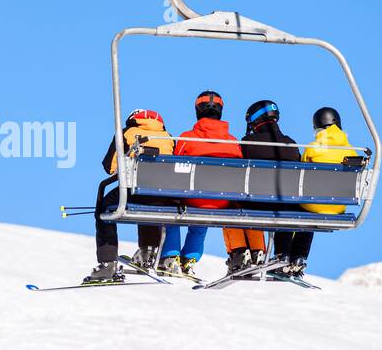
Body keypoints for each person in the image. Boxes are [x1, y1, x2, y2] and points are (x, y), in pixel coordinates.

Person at [83, 109, 183, 284]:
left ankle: (108, 263)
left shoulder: (127, 133)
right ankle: (148, 252)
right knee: (151, 205)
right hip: (164, 195)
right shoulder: (168, 137)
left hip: (135, 192)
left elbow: (110, 166)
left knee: (105, 208)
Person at [174, 90, 266, 277]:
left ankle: (170, 256)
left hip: (192, 199)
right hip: (222, 201)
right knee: (204, 215)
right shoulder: (232, 142)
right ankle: (189, 259)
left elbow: (173, 165)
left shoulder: (187, 138)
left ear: (197, 111)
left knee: (177, 209)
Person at [242, 99, 314, 271]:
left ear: (254, 121)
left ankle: (248, 253)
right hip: (285, 204)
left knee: (282, 203)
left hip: (256, 205)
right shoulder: (291, 145)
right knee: (297, 207)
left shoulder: (247, 144)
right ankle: (295, 257)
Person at [295, 106, 359, 277]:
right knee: (310, 212)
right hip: (338, 205)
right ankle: (300, 260)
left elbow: (302, 172)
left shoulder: (313, 147)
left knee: (303, 212)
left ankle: (292, 256)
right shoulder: (350, 150)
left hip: (313, 204)